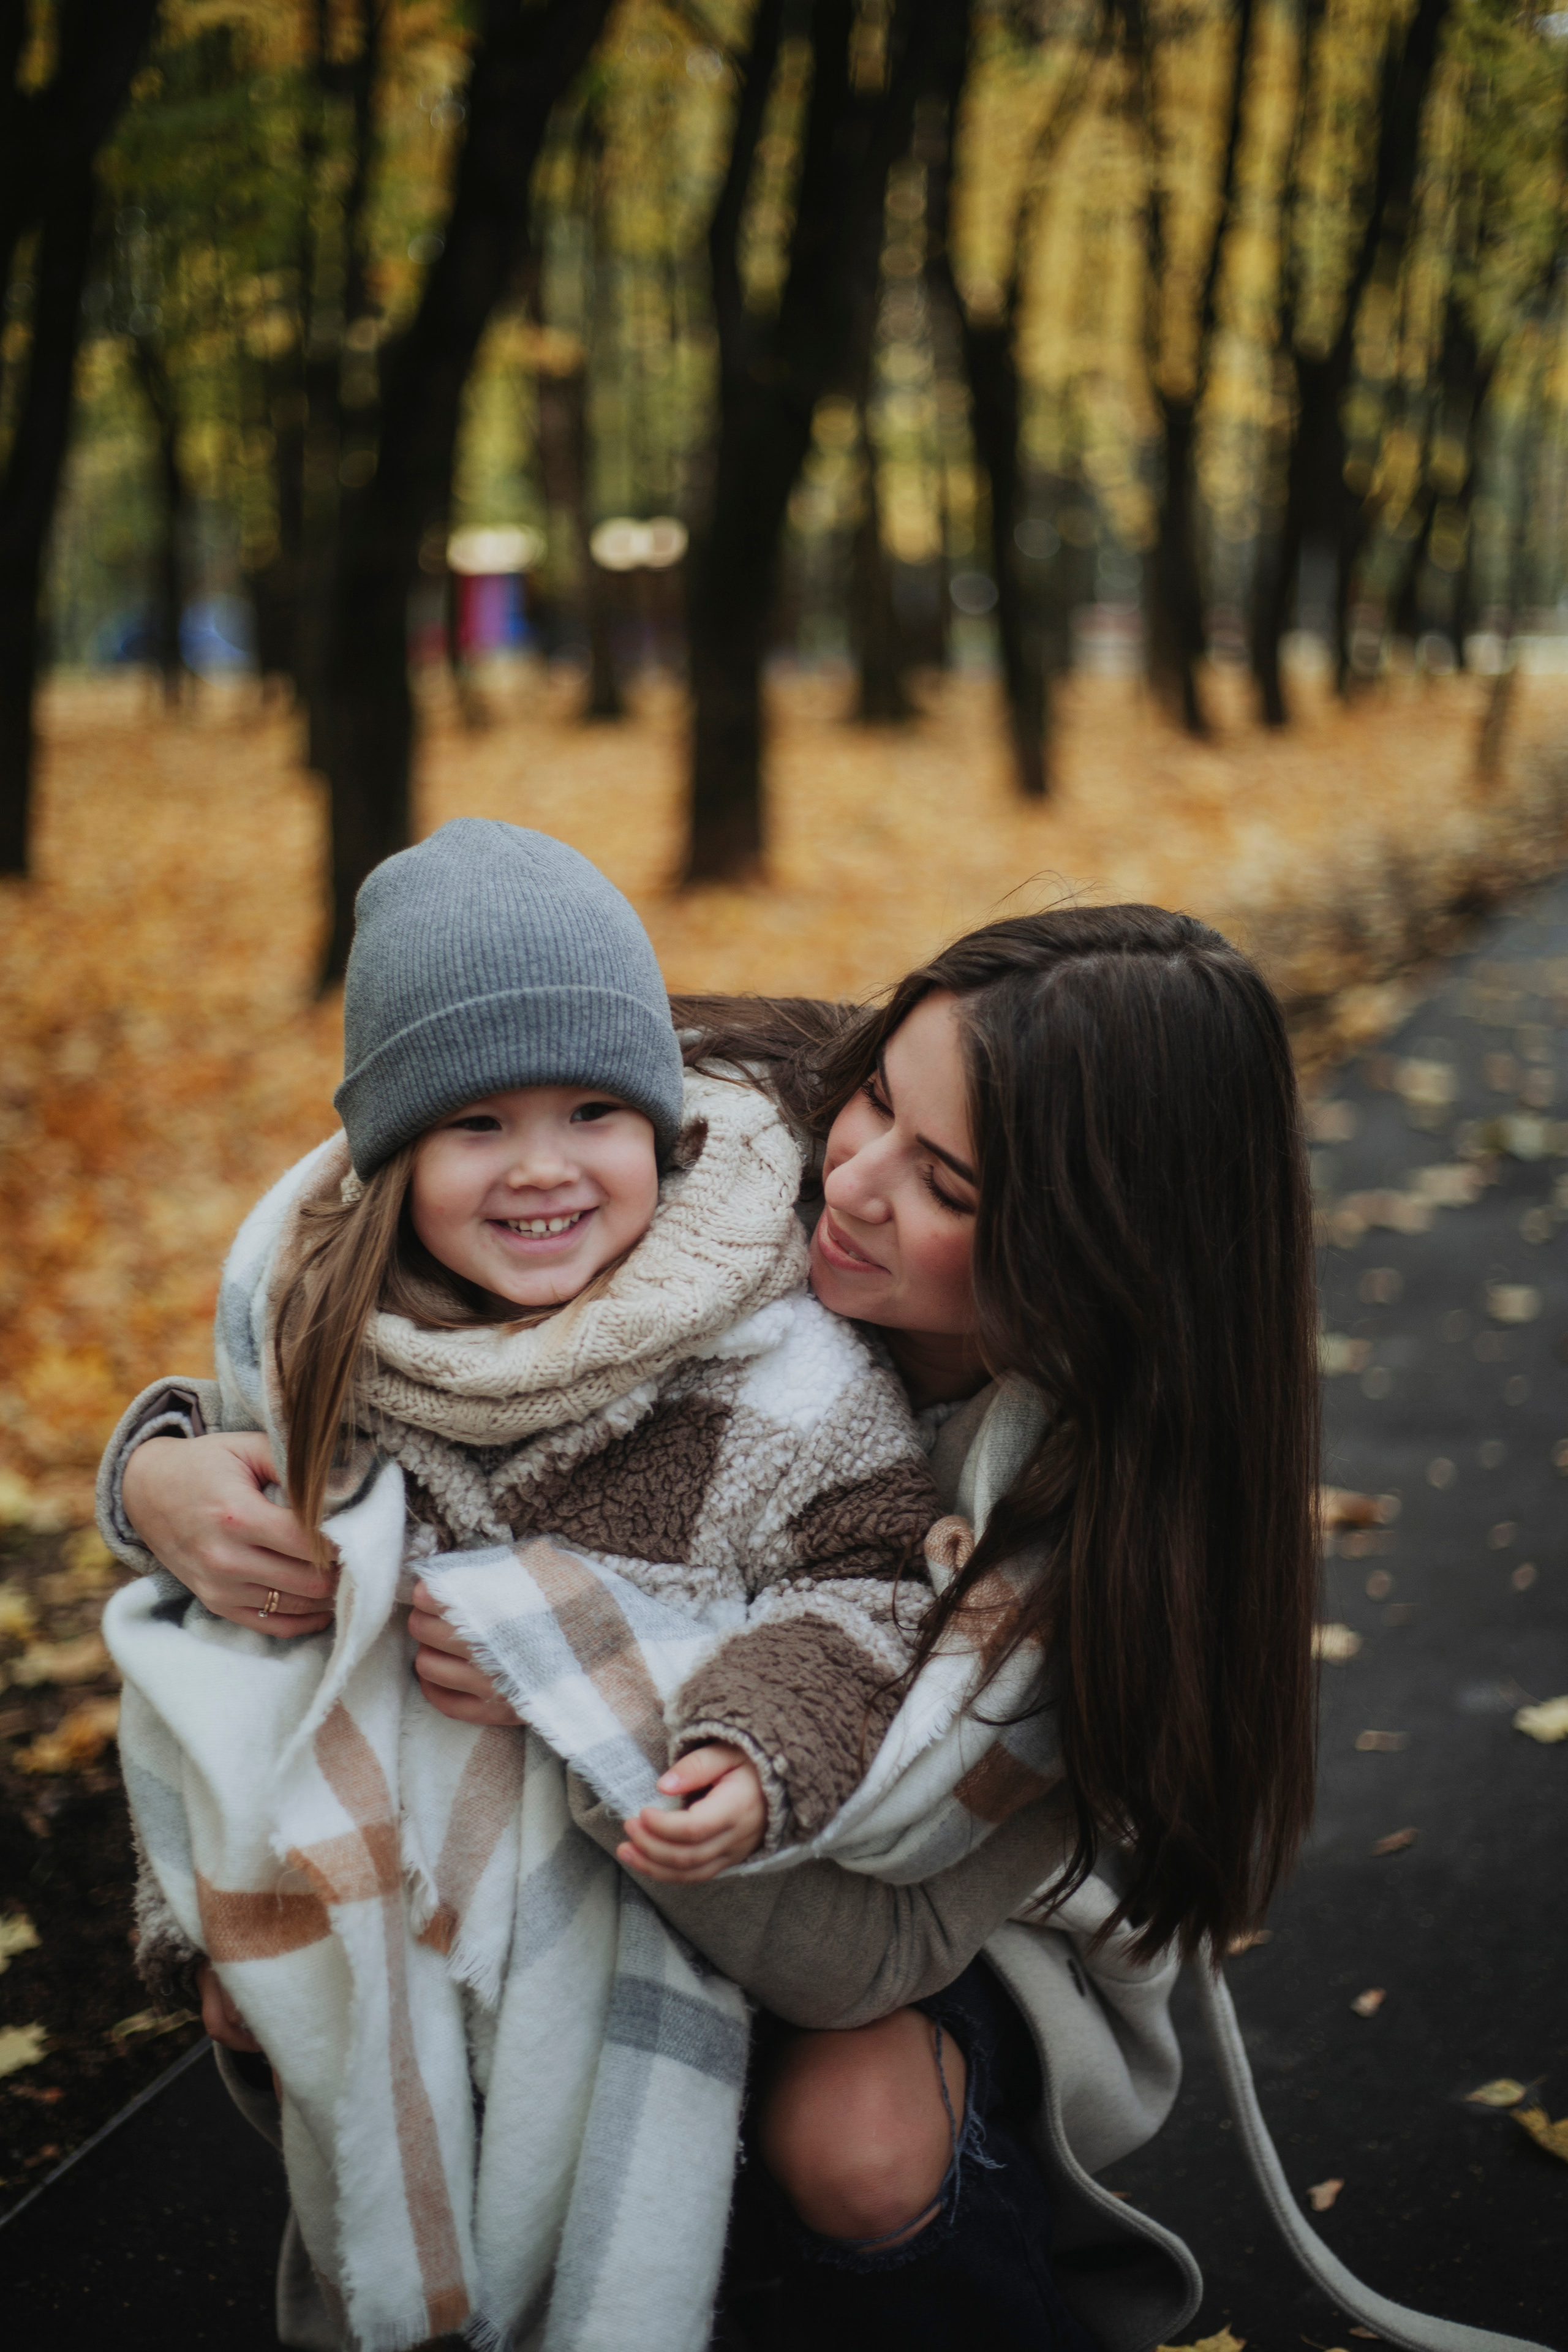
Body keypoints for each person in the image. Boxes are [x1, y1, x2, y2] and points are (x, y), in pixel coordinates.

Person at [103, 902, 1322, 2352]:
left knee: (850, 2138)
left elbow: (858, 1958)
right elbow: (378, 1313)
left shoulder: (1098, 1530)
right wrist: (160, 1475)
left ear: (1100, 1262)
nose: (850, 1179)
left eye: (942, 1183)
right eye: (875, 1093)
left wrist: (589, 1687)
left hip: (884, 1905)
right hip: (545, 1840)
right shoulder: (702, 1142)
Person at [102, 818, 949, 2352]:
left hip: (702, 1945)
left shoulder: (775, 1368)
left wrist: (731, 1733)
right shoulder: (327, 1369)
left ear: (665, 1127)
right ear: (390, 1155)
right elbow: (223, 1681)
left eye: (590, 1112)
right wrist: (211, 1927)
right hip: (413, 1964)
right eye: (474, 1124)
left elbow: (878, 1585)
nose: (544, 1168)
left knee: (701, 2260)